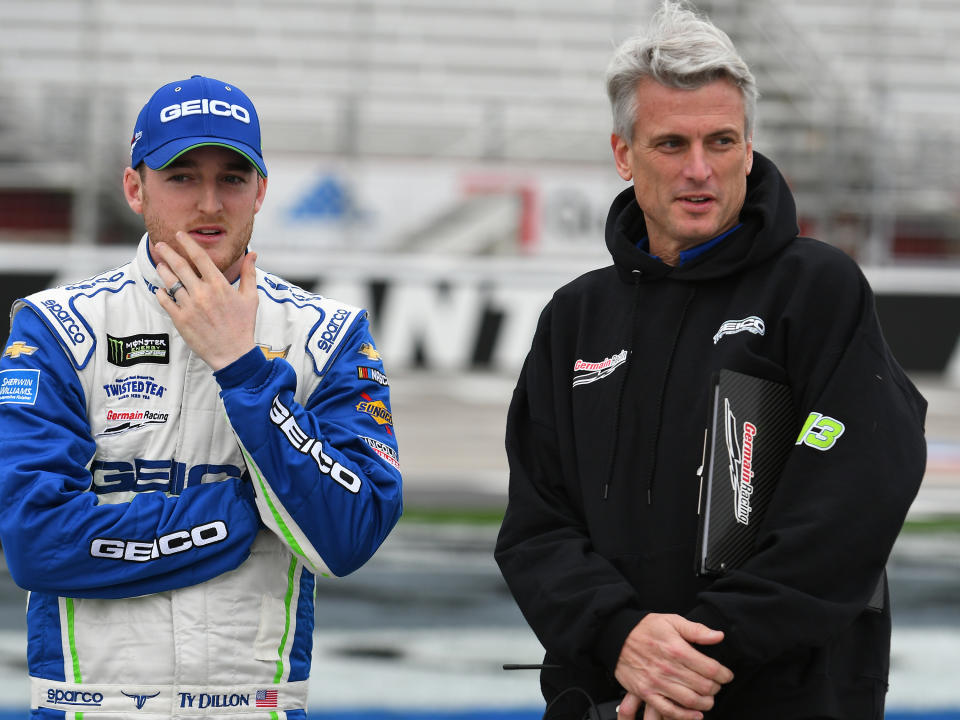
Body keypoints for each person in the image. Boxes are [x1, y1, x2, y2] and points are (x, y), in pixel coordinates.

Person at [494, 3, 927, 720]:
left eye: (721, 141)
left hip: (781, 699)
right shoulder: (575, 317)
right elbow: (537, 526)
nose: (700, 170)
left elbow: (851, 505)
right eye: (671, 144)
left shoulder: (817, 291)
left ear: (749, 147)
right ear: (623, 153)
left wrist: (692, 659)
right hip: (609, 695)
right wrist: (622, 637)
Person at [0, 75, 402, 718]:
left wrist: (242, 367)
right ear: (135, 187)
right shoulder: (55, 328)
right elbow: (36, 540)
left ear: (261, 192)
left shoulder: (327, 335)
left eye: (233, 179)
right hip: (90, 705)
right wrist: (235, 518)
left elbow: (347, 536)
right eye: (182, 176)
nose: (209, 203)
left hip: (255, 706)